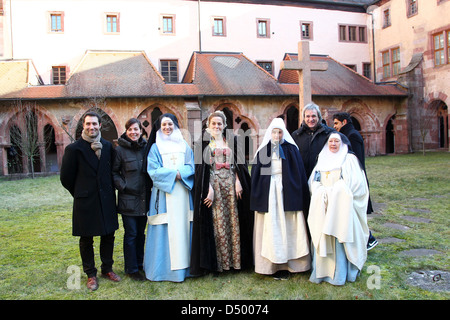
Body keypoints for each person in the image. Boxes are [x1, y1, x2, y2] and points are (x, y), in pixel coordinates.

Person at [60, 111, 120, 291]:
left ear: (100, 125)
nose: (91, 127)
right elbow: (66, 178)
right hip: (85, 201)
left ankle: (107, 269)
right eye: (88, 124)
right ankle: (91, 274)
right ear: (83, 126)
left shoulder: (108, 147)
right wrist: (80, 193)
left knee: (108, 235)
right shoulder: (74, 149)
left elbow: (111, 172)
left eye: (94, 124)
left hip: (106, 199)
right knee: (86, 239)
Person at [191, 110, 253, 276]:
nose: (216, 126)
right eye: (213, 124)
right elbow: (201, 171)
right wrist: (208, 189)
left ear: (225, 125)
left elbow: (240, 165)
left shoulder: (232, 141)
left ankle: (235, 262)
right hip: (215, 186)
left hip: (232, 185)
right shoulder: (201, 143)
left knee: (233, 221)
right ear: (208, 126)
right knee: (218, 224)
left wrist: (239, 181)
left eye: (220, 123)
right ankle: (220, 264)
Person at [250, 118, 310, 279]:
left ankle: (292, 264)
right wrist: (265, 189)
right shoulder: (264, 151)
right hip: (270, 194)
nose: (277, 135)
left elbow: (298, 174)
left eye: (280, 132)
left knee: (289, 227)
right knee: (271, 227)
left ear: (284, 133)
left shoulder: (291, 150)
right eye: (274, 132)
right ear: (270, 133)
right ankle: (270, 265)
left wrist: (292, 188)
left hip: (288, 193)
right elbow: (260, 176)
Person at [308, 133, 370, 285]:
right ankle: (322, 273)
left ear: (342, 143)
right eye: (331, 141)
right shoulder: (321, 158)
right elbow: (314, 180)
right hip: (323, 205)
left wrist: (335, 192)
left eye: (337, 141)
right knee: (323, 235)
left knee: (338, 236)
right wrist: (320, 191)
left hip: (341, 208)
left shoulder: (349, 159)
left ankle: (340, 274)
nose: (333, 144)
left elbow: (356, 183)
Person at [143, 114, 195, 282]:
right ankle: (163, 270)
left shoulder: (184, 145)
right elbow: (153, 171)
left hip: (184, 194)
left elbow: (191, 165)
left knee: (184, 227)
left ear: (176, 126)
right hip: (165, 195)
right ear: (159, 128)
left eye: (170, 124)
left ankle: (188, 269)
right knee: (165, 228)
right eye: (164, 125)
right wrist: (175, 175)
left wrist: (182, 174)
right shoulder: (155, 148)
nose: (167, 127)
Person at [332, 112, 378, 250]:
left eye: (336, 123)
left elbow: (356, 160)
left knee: (357, 213)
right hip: (349, 179)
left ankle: (369, 239)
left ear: (344, 122)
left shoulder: (352, 136)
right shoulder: (347, 135)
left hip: (355, 180)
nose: (334, 126)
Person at [112, 118, 149, 281]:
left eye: (137, 129)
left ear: (141, 131)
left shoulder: (146, 148)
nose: (134, 132)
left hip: (144, 199)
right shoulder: (120, 150)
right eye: (131, 129)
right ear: (126, 131)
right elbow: (113, 172)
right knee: (132, 234)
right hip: (128, 199)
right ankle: (131, 269)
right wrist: (123, 186)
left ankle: (140, 264)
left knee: (141, 233)